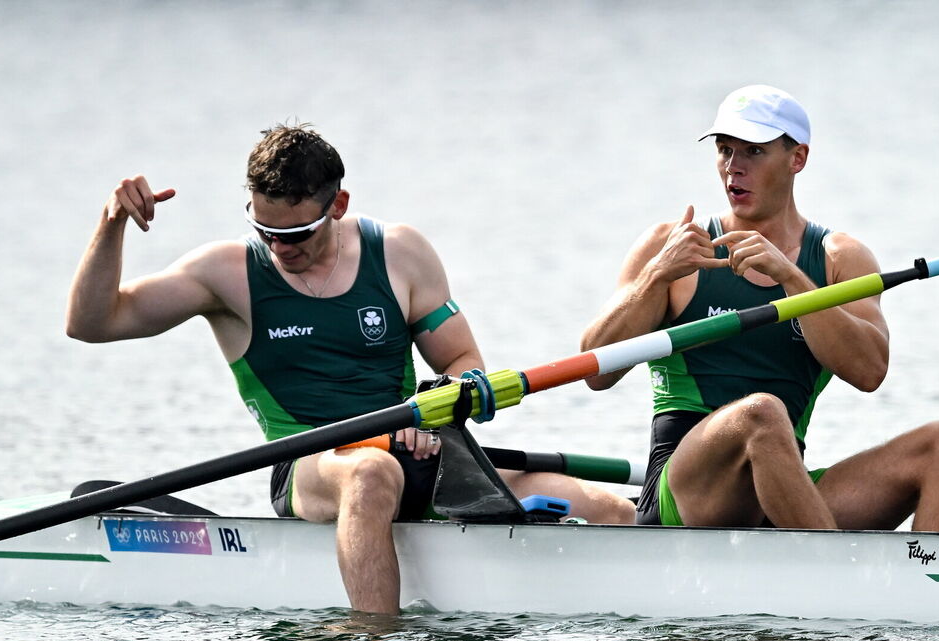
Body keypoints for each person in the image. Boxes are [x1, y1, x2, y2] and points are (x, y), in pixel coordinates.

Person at [67, 124, 633, 615]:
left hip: (421, 449)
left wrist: (443, 407)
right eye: (265, 231)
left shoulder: (400, 254)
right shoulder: (226, 273)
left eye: (295, 234)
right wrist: (111, 222)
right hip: (312, 465)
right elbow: (93, 322)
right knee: (369, 474)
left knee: (611, 510)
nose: (279, 248)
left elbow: (462, 360)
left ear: (337, 206)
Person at [580, 85, 939, 534]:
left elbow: (869, 372)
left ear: (797, 159)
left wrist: (792, 279)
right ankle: (835, 581)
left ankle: (932, 587)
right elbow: (596, 370)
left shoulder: (838, 259)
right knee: (762, 414)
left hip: (783, 491)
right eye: (725, 150)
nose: (734, 168)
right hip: (685, 495)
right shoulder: (673, 246)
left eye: (753, 151)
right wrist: (656, 276)